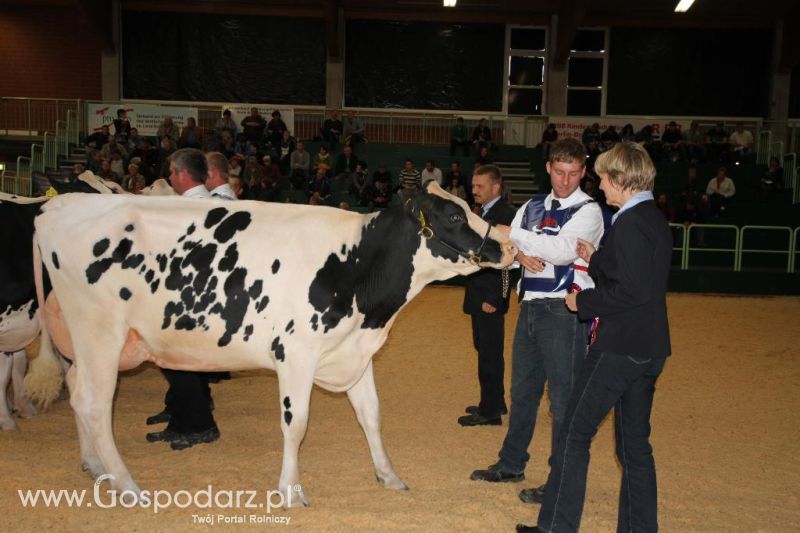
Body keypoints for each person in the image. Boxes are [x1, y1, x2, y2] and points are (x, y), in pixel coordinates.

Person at [518, 141, 672, 533]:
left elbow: (631, 291)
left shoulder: (631, 222)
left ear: (620, 179)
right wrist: (596, 254)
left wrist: (583, 302)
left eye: (603, 178)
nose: (600, 185)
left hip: (620, 347)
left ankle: (556, 527)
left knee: (572, 432)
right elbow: (635, 277)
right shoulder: (649, 217)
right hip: (648, 347)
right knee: (634, 447)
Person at [469, 138, 604, 507]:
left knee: (562, 402)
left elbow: (562, 252)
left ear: (583, 172)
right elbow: (505, 253)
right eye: (559, 172)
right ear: (548, 168)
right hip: (530, 308)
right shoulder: (530, 206)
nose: (565, 180)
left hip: (565, 312)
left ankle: (560, 479)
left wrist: (517, 240)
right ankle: (511, 463)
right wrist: (518, 254)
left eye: (574, 173)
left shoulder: (588, 210)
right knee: (523, 394)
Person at [145, 148, 221, 451]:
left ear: (182, 174)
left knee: (175, 360)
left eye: (172, 172)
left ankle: (200, 426)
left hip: (190, 298)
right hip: (202, 296)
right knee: (182, 364)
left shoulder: (185, 210)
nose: (169, 178)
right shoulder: (213, 204)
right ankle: (182, 420)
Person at [458, 165, 516, 427]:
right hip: (478, 292)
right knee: (484, 349)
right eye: (473, 186)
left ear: (496, 187)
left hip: (490, 297)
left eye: (480, 186)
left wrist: (497, 299)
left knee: (489, 354)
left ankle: (490, 411)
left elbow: (509, 264)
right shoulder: (483, 212)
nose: (475, 190)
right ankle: (495, 401)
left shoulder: (506, 215)